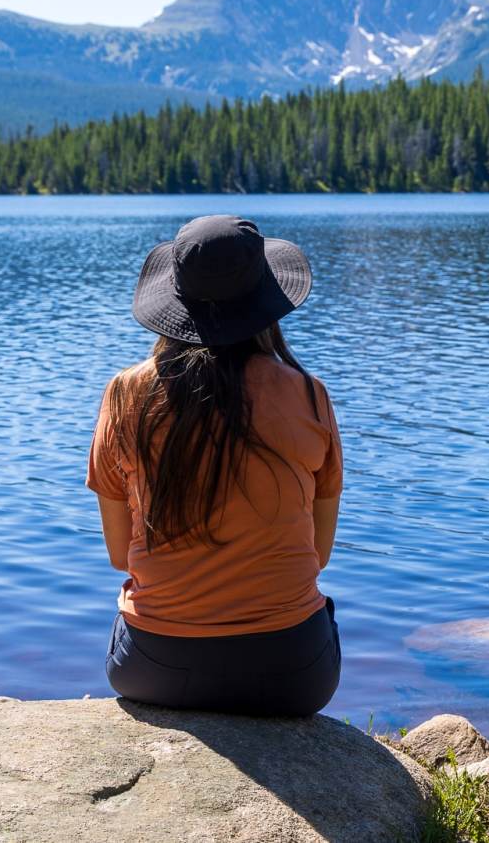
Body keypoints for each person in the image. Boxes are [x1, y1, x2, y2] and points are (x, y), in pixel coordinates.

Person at [87, 214, 343, 716]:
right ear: (266, 301)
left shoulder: (125, 395)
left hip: (156, 670)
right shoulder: (310, 396)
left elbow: (121, 556)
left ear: (175, 300)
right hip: (292, 676)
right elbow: (318, 552)